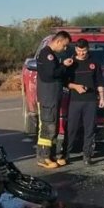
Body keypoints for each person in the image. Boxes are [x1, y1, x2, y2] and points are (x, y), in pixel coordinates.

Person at [61, 38, 104, 165]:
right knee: (71, 129)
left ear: (88, 49)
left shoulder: (94, 63)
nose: (82, 53)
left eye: (84, 50)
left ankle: (87, 155)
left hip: (90, 101)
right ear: (75, 49)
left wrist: (102, 97)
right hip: (75, 101)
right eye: (79, 50)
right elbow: (64, 82)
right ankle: (66, 154)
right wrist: (76, 87)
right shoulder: (71, 63)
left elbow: (99, 81)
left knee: (89, 129)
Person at [35, 30, 73, 168]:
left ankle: (50, 155)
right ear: (58, 41)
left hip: (53, 98)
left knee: (54, 127)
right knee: (47, 127)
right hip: (47, 98)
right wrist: (64, 66)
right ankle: (43, 157)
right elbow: (51, 74)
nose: (64, 49)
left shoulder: (52, 55)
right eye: (64, 46)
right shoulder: (47, 55)